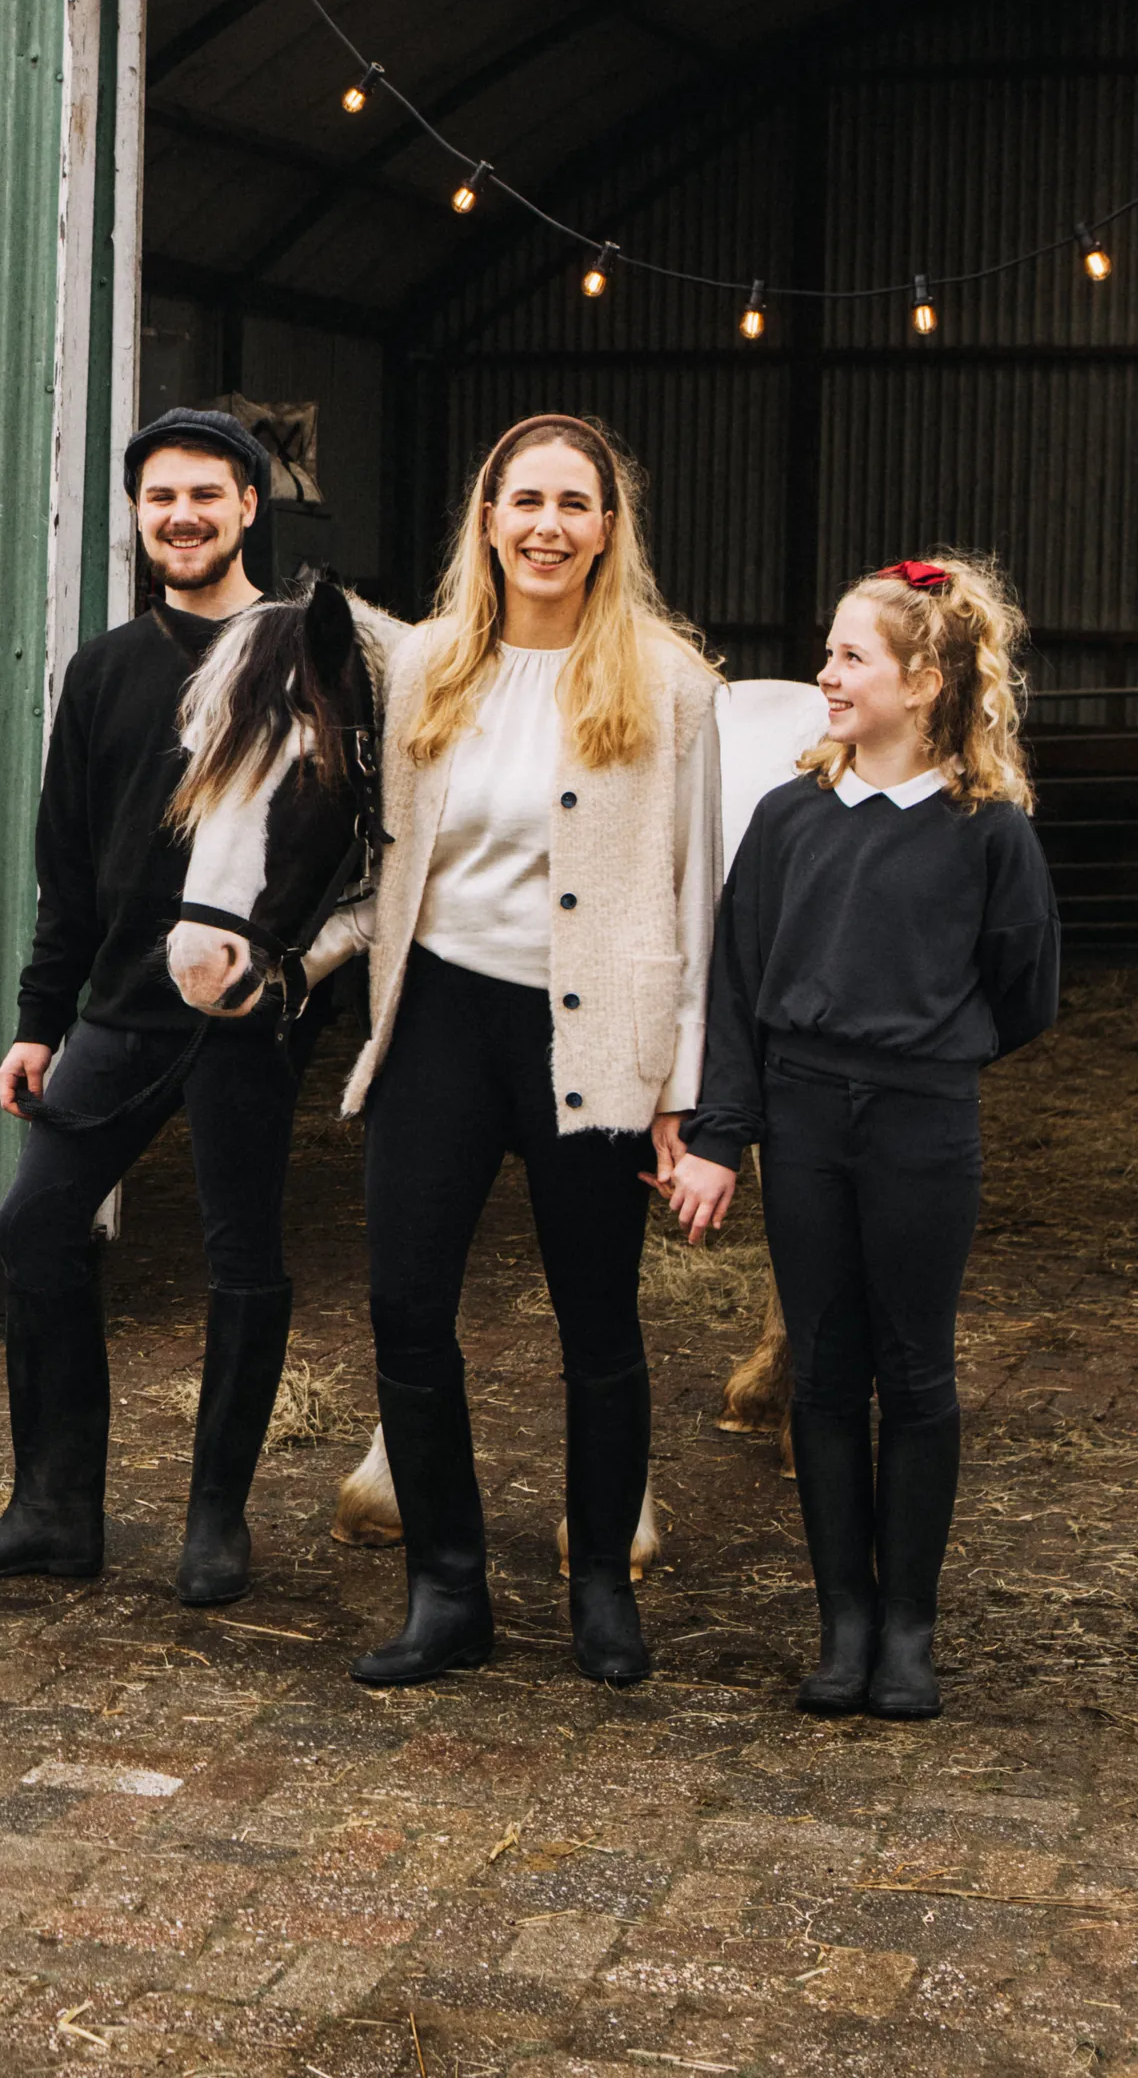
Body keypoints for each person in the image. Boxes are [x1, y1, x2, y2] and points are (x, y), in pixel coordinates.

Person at [333, 413, 721, 1690]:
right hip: (439, 1015)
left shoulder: (670, 683)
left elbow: (695, 891)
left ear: (610, 527)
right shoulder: (426, 668)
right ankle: (447, 1586)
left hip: (594, 1028)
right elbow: (374, 859)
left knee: (597, 1315)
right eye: (524, 500)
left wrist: (684, 1088)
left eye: (575, 502)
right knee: (405, 1306)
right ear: (487, 518)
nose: (548, 524)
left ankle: (600, 1581)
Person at [0, 407, 303, 1605]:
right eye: (159, 499)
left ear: (249, 505)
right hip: (124, 1008)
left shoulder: (304, 652)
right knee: (35, 1225)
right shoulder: (105, 668)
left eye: (206, 493)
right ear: (139, 519)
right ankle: (54, 1510)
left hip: (249, 1011)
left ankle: (215, 1519)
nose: (181, 515)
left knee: (242, 1253)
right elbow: (68, 866)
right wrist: (42, 1017)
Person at [672, 555, 1059, 1721]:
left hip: (922, 1125)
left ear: (926, 677)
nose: (825, 675)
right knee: (825, 1372)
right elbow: (736, 987)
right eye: (830, 653)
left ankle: (910, 1627)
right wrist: (724, 1136)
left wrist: (925, 1054)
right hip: (801, 1120)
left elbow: (1028, 989)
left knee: (918, 1369)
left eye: (849, 656)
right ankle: (842, 1617)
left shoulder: (988, 831)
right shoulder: (790, 819)